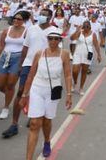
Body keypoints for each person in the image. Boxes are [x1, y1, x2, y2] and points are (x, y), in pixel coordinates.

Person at [20, 30, 73, 159]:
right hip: (37, 89)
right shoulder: (39, 53)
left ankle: (47, 140)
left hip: (53, 91)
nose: (53, 41)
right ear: (47, 40)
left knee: (47, 121)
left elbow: (67, 74)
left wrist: (69, 94)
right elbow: (31, 75)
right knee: (34, 124)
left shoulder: (64, 54)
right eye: (51, 38)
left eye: (56, 39)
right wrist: (24, 95)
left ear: (60, 40)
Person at [2, 9, 51, 139]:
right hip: (28, 64)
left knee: (37, 92)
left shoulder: (54, 31)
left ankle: (33, 115)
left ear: (50, 18)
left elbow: (56, 51)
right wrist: (20, 64)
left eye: (45, 15)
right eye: (41, 14)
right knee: (21, 92)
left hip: (44, 66)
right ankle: (14, 124)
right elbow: (25, 48)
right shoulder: (32, 29)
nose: (41, 16)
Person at [0, 11, 28, 120]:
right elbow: (0, 46)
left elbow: (27, 48)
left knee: (10, 84)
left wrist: (23, 63)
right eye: (15, 18)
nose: (16, 21)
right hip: (5, 57)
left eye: (19, 19)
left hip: (18, 58)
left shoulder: (26, 32)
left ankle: (6, 107)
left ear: (24, 21)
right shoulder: (6, 30)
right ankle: (10, 96)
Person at [70, 20, 101, 94]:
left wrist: (99, 55)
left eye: (87, 26)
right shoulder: (79, 32)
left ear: (90, 27)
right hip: (78, 53)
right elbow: (72, 38)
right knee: (75, 71)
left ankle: (81, 88)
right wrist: (77, 30)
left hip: (87, 54)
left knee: (84, 71)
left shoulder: (93, 34)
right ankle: (75, 83)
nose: (86, 28)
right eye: (84, 26)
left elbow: (96, 45)